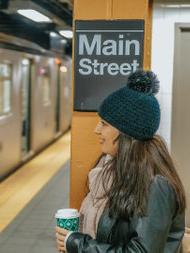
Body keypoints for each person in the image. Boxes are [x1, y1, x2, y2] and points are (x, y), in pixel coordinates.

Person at [55, 70, 186, 252]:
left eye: (104, 124)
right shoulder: (110, 168)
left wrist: (78, 244)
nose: (96, 130)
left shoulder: (155, 185)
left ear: (126, 133)